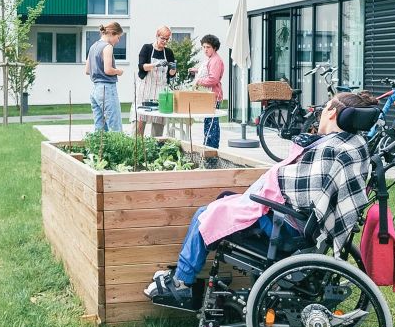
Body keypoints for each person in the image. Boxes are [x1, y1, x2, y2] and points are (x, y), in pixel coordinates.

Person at [145, 90, 379, 308]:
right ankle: (183, 277)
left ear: (332, 112)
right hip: (297, 223)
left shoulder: (330, 149)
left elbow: (296, 187)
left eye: (324, 108)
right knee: (219, 205)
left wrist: (270, 184)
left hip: (285, 226)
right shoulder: (352, 144)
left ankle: (181, 284)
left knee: (205, 215)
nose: (320, 114)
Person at [136, 26, 177, 137]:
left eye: (167, 39)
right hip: (145, 89)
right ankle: (137, 146)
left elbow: (171, 74)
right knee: (140, 121)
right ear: (157, 35)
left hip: (160, 90)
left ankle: (157, 147)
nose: (164, 41)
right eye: (163, 38)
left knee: (159, 122)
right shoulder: (147, 48)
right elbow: (142, 67)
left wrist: (173, 68)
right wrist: (156, 64)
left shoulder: (168, 53)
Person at [85, 21, 125, 132]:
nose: (118, 40)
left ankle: (100, 149)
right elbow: (108, 70)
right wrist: (118, 71)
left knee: (100, 129)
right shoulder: (108, 47)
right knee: (115, 126)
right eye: (118, 37)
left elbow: (87, 70)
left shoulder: (93, 46)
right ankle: (119, 149)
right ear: (112, 33)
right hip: (107, 89)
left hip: (95, 90)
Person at [193, 34, 224, 148]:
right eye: (204, 47)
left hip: (213, 96)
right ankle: (208, 148)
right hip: (209, 96)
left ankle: (212, 150)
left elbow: (213, 79)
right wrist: (196, 71)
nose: (205, 50)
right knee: (209, 123)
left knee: (211, 125)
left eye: (208, 47)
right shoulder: (211, 59)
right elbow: (208, 72)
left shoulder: (216, 60)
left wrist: (199, 81)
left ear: (214, 47)